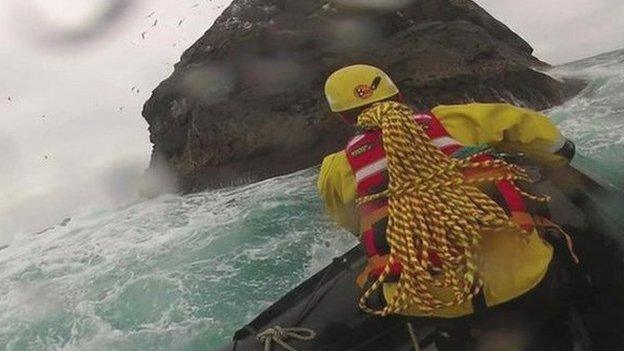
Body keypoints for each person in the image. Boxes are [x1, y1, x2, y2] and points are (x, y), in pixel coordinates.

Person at [318, 64, 578, 350]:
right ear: (399, 97)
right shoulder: (453, 120)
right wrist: (560, 154)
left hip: (432, 304)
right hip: (520, 281)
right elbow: (526, 124)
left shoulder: (336, 168)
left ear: (343, 117)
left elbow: (353, 223)